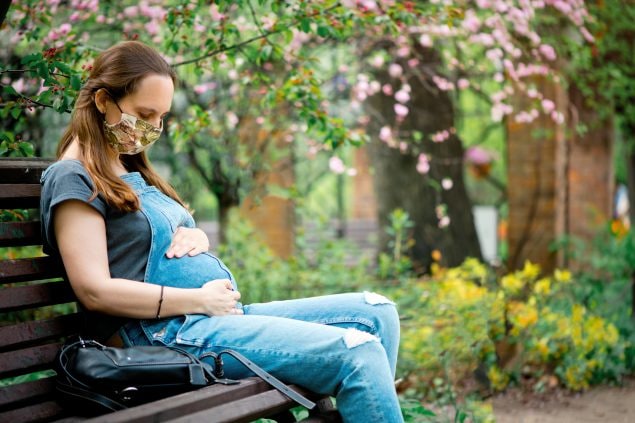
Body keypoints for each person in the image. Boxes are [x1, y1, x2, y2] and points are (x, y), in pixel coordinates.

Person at [40, 41, 403, 422]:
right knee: (357, 351)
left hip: (214, 319)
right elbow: (94, 290)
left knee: (377, 313)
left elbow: (154, 235)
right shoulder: (73, 178)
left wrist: (194, 234)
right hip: (168, 335)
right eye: (144, 113)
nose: (152, 128)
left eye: (161, 117)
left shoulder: (125, 167)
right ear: (101, 100)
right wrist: (196, 299)